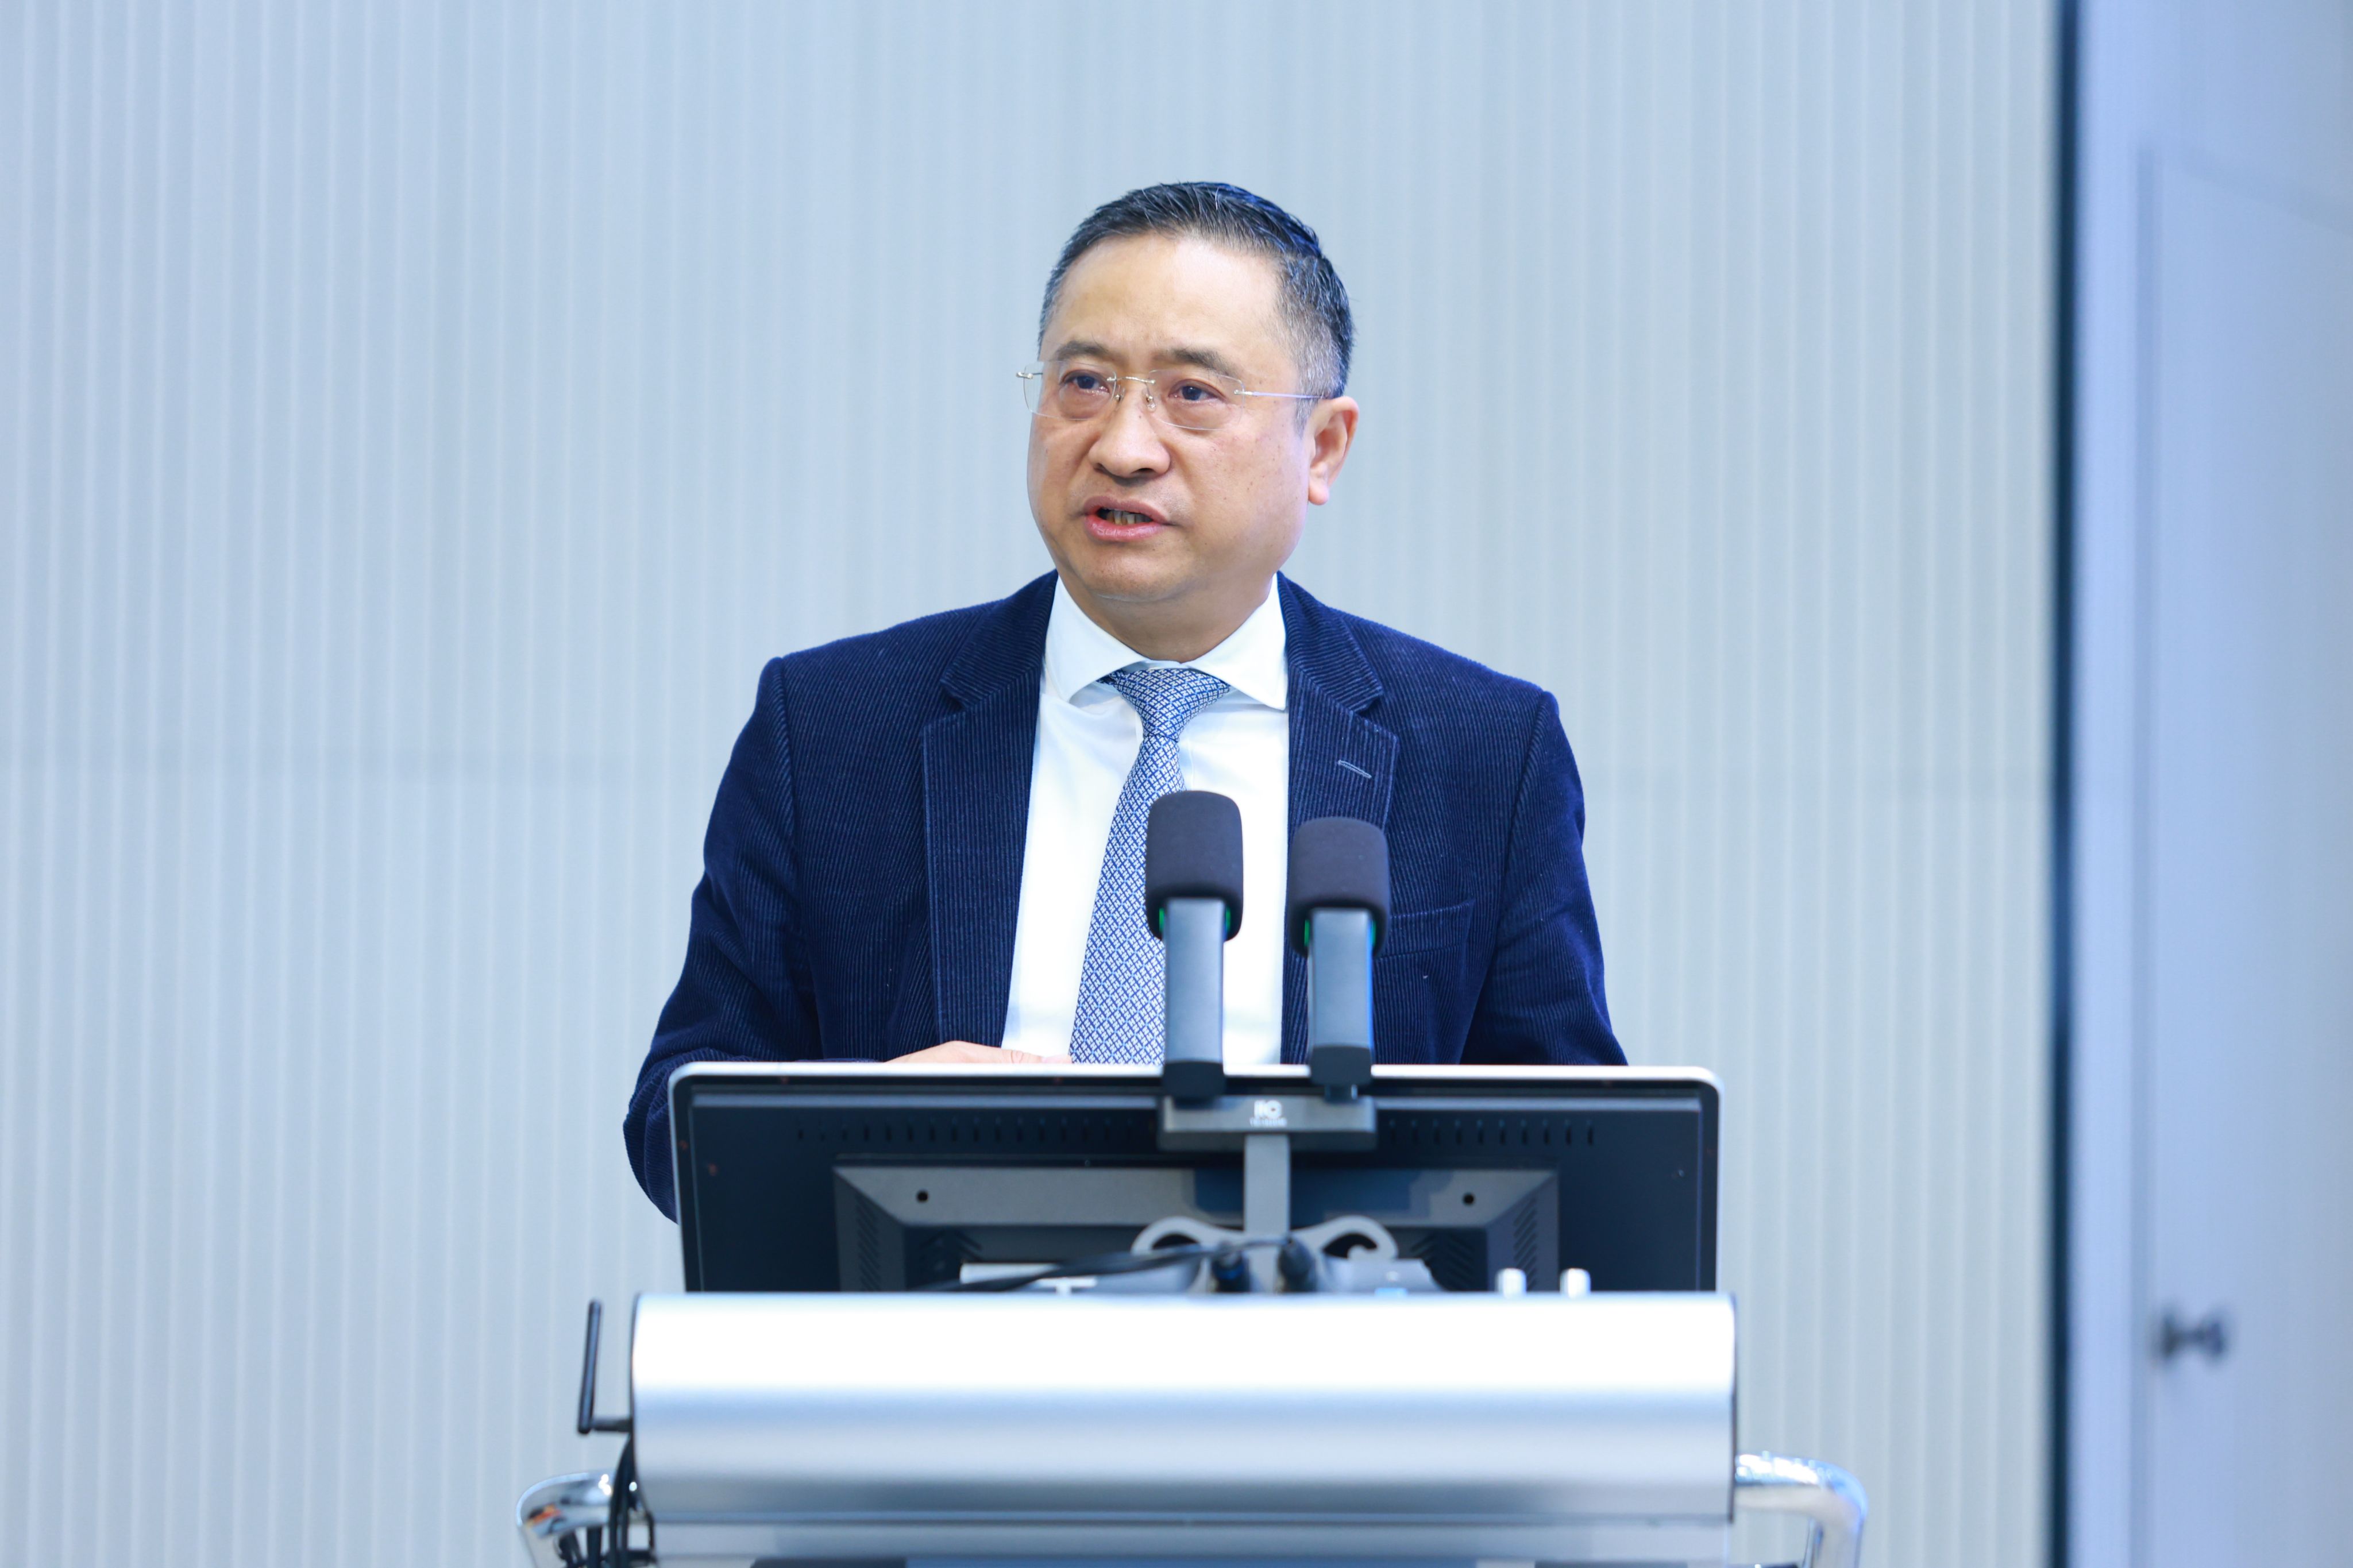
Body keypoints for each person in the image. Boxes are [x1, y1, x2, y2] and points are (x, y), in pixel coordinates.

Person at [626, 182, 1621, 1217]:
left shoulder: (1482, 753)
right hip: (944, 1314)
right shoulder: (833, 727)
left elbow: (1575, 1159)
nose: (1123, 445)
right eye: (1085, 383)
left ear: (1322, 446)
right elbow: (676, 1122)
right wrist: (870, 1123)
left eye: (1192, 393)